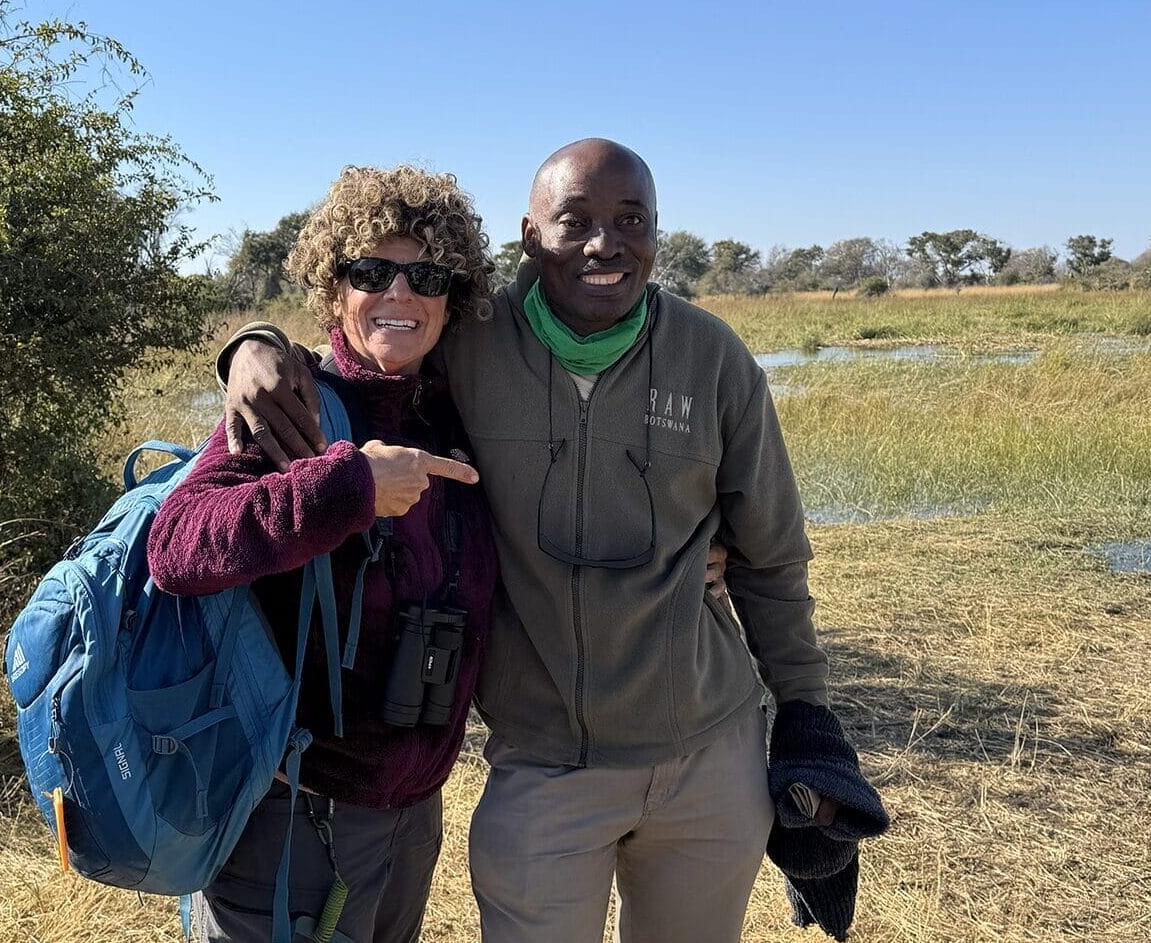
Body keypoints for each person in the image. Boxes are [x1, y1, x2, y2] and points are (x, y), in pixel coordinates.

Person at [219, 139, 886, 942]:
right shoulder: (469, 343)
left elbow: (773, 556)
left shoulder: (713, 360)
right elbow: (368, 344)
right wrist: (249, 344)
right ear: (529, 237)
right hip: (542, 762)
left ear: (656, 232)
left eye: (629, 220)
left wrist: (807, 709)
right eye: (575, 221)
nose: (605, 244)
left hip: (708, 754)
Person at [147, 164, 499, 943]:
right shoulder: (293, 402)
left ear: (454, 294)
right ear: (333, 287)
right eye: (371, 270)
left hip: (410, 812)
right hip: (293, 814)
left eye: (427, 274)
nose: (400, 294)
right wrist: (348, 488)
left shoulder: (457, 404)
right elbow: (176, 546)